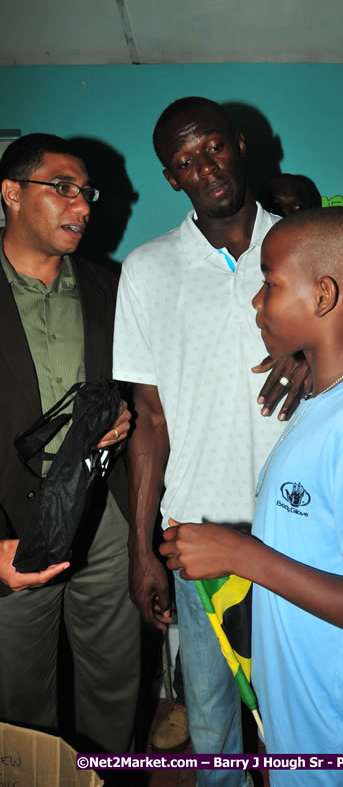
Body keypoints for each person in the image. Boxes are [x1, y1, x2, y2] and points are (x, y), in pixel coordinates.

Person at [161, 207, 343, 786]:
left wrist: (242, 557)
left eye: (271, 283)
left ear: (324, 295)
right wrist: (233, 546)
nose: (257, 301)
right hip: (300, 728)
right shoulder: (321, 402)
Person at [112, 97, 309, 782]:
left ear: (241, 144)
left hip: (304, 530)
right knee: (214, 736)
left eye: (214, 148)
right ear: (172, 178)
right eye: (186, 161)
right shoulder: (146, 269)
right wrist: (143, 548)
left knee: (299, 728)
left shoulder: (305, 246)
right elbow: (149, 420)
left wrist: (318, 352)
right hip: (198, 538)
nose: (206, 167)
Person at [0, 133, 140, 753]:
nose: (82, 206)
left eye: (87, 192)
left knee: (114, 677)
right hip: (14, 518)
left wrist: (121, 417)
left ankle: (106, 772)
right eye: (62, 189)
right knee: (18, 691)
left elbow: (138, 387)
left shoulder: (112, 286)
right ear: (10, 194)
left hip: (104, 508)